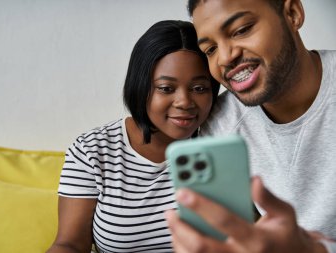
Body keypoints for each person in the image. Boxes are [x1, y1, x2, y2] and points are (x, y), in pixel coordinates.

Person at [165, 0, 336, 252]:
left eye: (241, 29)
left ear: (292, 14)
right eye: (210, 49)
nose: (225, 57)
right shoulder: (221, 123)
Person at [46, 20, 220, 253]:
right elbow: (70, 244)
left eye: (199, 88)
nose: (185, 102)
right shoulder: (92, 150)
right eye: (166, 88)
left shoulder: (222, 143)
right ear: (140, 86)